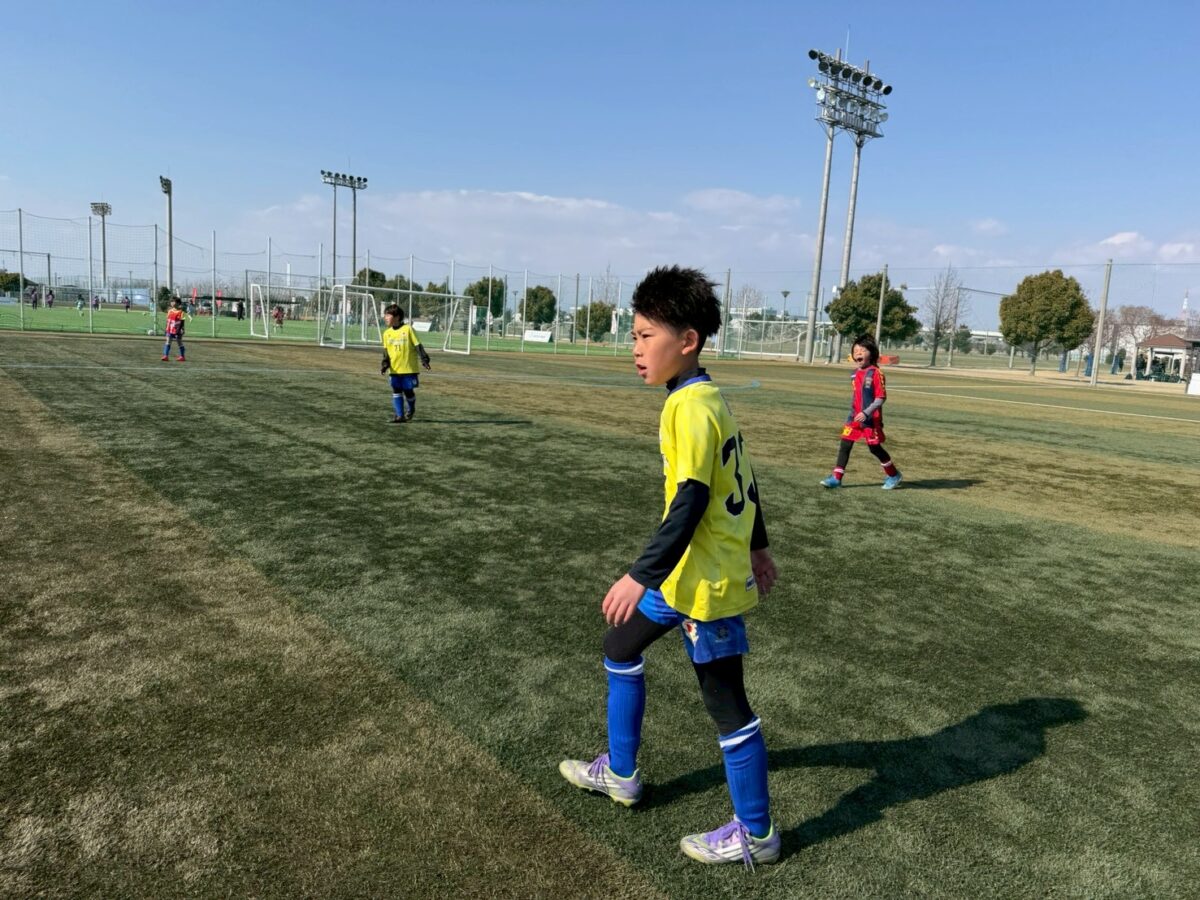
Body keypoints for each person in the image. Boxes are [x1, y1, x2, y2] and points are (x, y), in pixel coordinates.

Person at [558, 266, 781, 868]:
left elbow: (692, 500)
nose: (635, 348)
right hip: (685, 575)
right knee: (620, 644)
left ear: (688, 340)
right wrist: (760, 546)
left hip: (704, 584)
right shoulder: (704, 398)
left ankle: (757, 834)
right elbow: (744, 481)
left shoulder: (690, 407)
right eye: (633, 335)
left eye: (645, 335)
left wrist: (640, 574)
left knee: (727, 705)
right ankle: (621, 773)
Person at [820, 333, 902, 490]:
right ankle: (836, 478)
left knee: (874, 448)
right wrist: (855, 413)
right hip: (854, 417)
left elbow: (881, 398)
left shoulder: (876, 373)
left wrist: (866, 413)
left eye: (863, 350)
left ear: (872, 353)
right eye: (856, 350)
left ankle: (893, 475)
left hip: (870, 419)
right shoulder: (854, 373)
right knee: (845, 443)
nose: (858, 353)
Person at [380, 303, 430, 423]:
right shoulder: (386, 333)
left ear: (397, 317)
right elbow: (386, 353)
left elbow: (418, 346)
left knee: (408, 391)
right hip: (394, 369)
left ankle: (411, 409)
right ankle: (399, 416)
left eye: (388, 315)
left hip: (409, 369)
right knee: (396, 390)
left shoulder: (408, 329)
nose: (385, 318)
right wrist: (385, 365)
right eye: (385, 315)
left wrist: (424, 360)